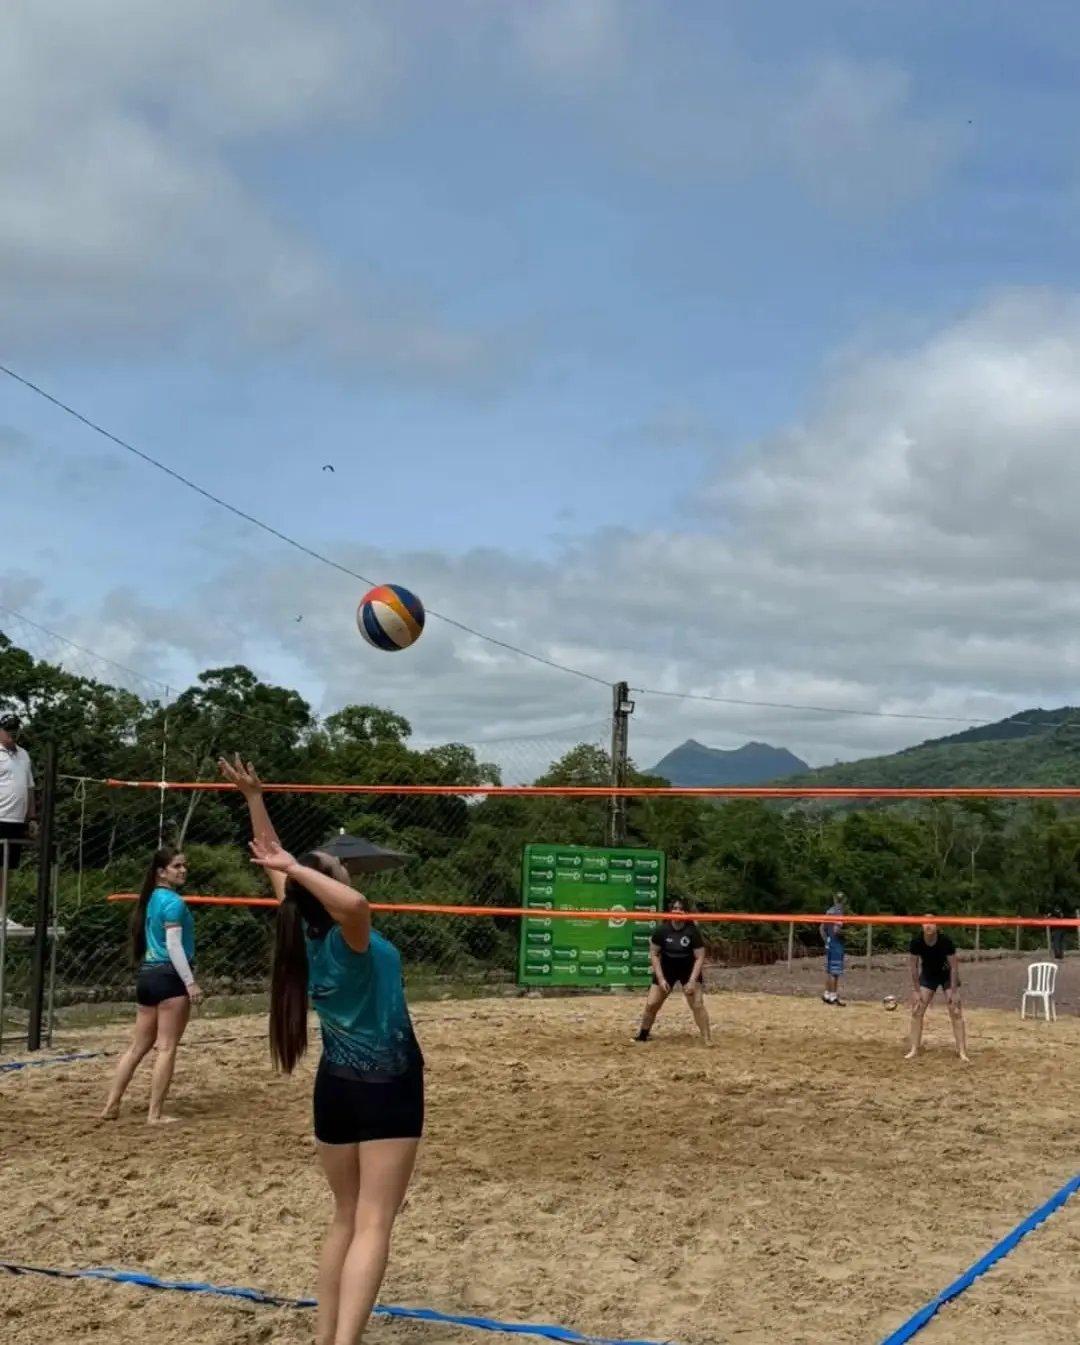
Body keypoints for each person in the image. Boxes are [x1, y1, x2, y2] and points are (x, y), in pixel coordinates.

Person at [221, 754, 423, 1345]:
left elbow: (279, 868)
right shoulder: (347, 934)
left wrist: (255, 799)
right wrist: (293, 864)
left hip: (335, 1089)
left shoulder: (298, 928)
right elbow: (351, 903)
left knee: (345, 1217)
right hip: (389, 1087)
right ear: (329, 884)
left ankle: (324, 1337)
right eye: (339, 867)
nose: (347, 872)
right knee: (373, 1221)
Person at [101, 846, 204, 1122]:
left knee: (137, 1048)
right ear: (161, 872)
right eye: (176, 866)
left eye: (184, 865)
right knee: (166, 1047)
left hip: (147, 975)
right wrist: (190, 982)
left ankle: (111, 1105)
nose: (183, 870)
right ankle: (155, 1114)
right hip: (169, 977)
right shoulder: (173, 902)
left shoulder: (151, 900)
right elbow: (173, 945)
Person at [634, 897, 711, 1045]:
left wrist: (692, 981)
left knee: (697, 1003)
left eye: (680, 909)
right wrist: (661, 979)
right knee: (651, 1003)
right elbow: (654, 954)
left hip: (688, 968)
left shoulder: (692, 931)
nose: (677, 911)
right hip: (667, 968)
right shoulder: (662, 930)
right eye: (675, 908)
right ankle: (643, 1035)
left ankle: (707, 1038)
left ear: (685, 912)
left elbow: (700, 957)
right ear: (670, 911)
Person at [906, 917, 969, 1062]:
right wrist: (916, 991)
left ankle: (962, 1052)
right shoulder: (916, 942)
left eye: (932, 922)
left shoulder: (945, 941)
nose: (928, 926)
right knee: (917, 1010)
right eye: (925, 922)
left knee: (956, 1011)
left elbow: (954, 967)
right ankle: (914, 1049)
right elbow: (913, 968)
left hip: (946, 975)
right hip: (929, 975)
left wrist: (953, 992)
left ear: (937, 925)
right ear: (921, 925)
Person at [0, 713, 36, 903]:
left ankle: (2, 912)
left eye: (14, 730)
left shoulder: (23, 754)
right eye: (8, 730)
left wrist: (32, 817)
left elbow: (29, 788)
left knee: (8, 869)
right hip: (0, 817)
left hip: (17, 820)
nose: (12, 734)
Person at [820, 891, 846, 1007]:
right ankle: (833, 996)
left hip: (830, 943)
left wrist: (826, 941)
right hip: (836, 944)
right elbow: (836, 930)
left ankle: (827, 994)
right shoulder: (839, 912)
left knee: (829, 971)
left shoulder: (829, 911)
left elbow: (821, 929)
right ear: (844, 900)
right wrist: (847, 933)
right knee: (835, 972)